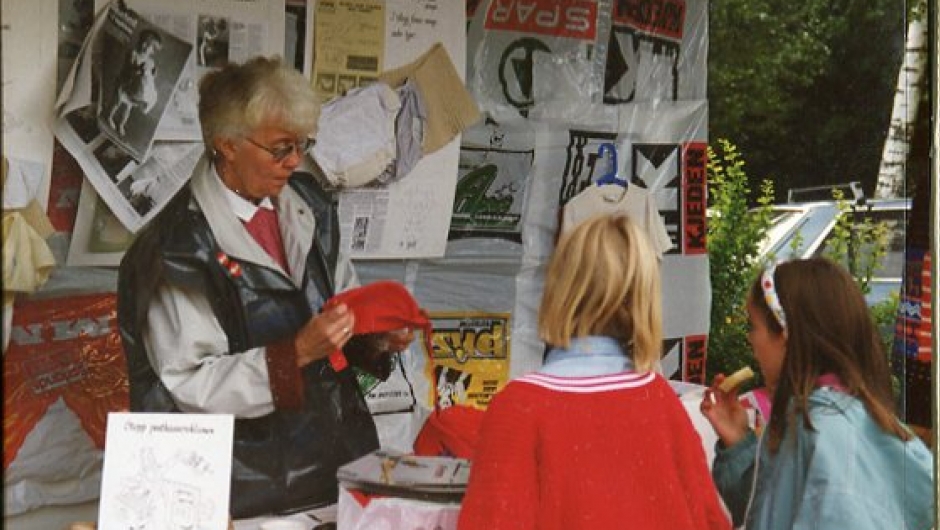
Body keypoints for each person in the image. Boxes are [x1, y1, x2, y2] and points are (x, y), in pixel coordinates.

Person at [117, 56, 412, 519]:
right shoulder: (173, 248)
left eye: (302, 144)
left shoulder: (308, 205)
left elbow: (340, 308)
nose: (295, 161)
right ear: (226, 145)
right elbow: (190, 384)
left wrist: (371, 339)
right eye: (280, 148)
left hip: (332, 469)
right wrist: (293, 353)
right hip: (238, 494)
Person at [458, 214, 731, 530]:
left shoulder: (519, 408)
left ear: (557, 288)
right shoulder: (659, 401)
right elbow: (708, 520)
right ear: (644, 298)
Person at [699, 258, 935, 530]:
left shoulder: (825, 432)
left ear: (786, 332)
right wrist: (738, 441)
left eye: (753, 326)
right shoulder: (856, 418)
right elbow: (776, 505)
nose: (750, 339)